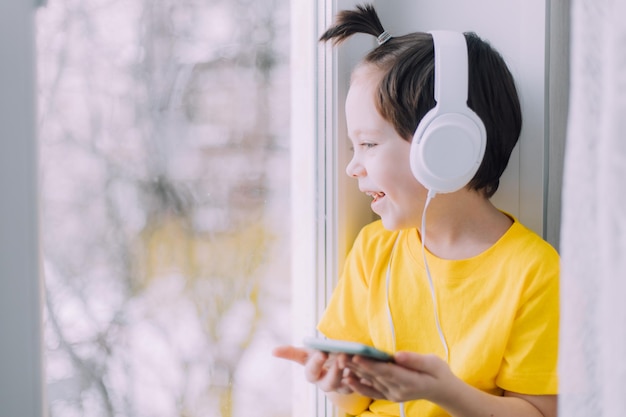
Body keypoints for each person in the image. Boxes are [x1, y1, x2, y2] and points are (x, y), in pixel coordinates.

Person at [273, 4, 559, 417]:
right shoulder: (374, 249)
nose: (353, 167)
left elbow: (540, 412)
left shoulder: (533, 273)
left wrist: (447, 393)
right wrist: (336, 381)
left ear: (446, 147)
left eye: (368, 144)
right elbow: (354, 402)